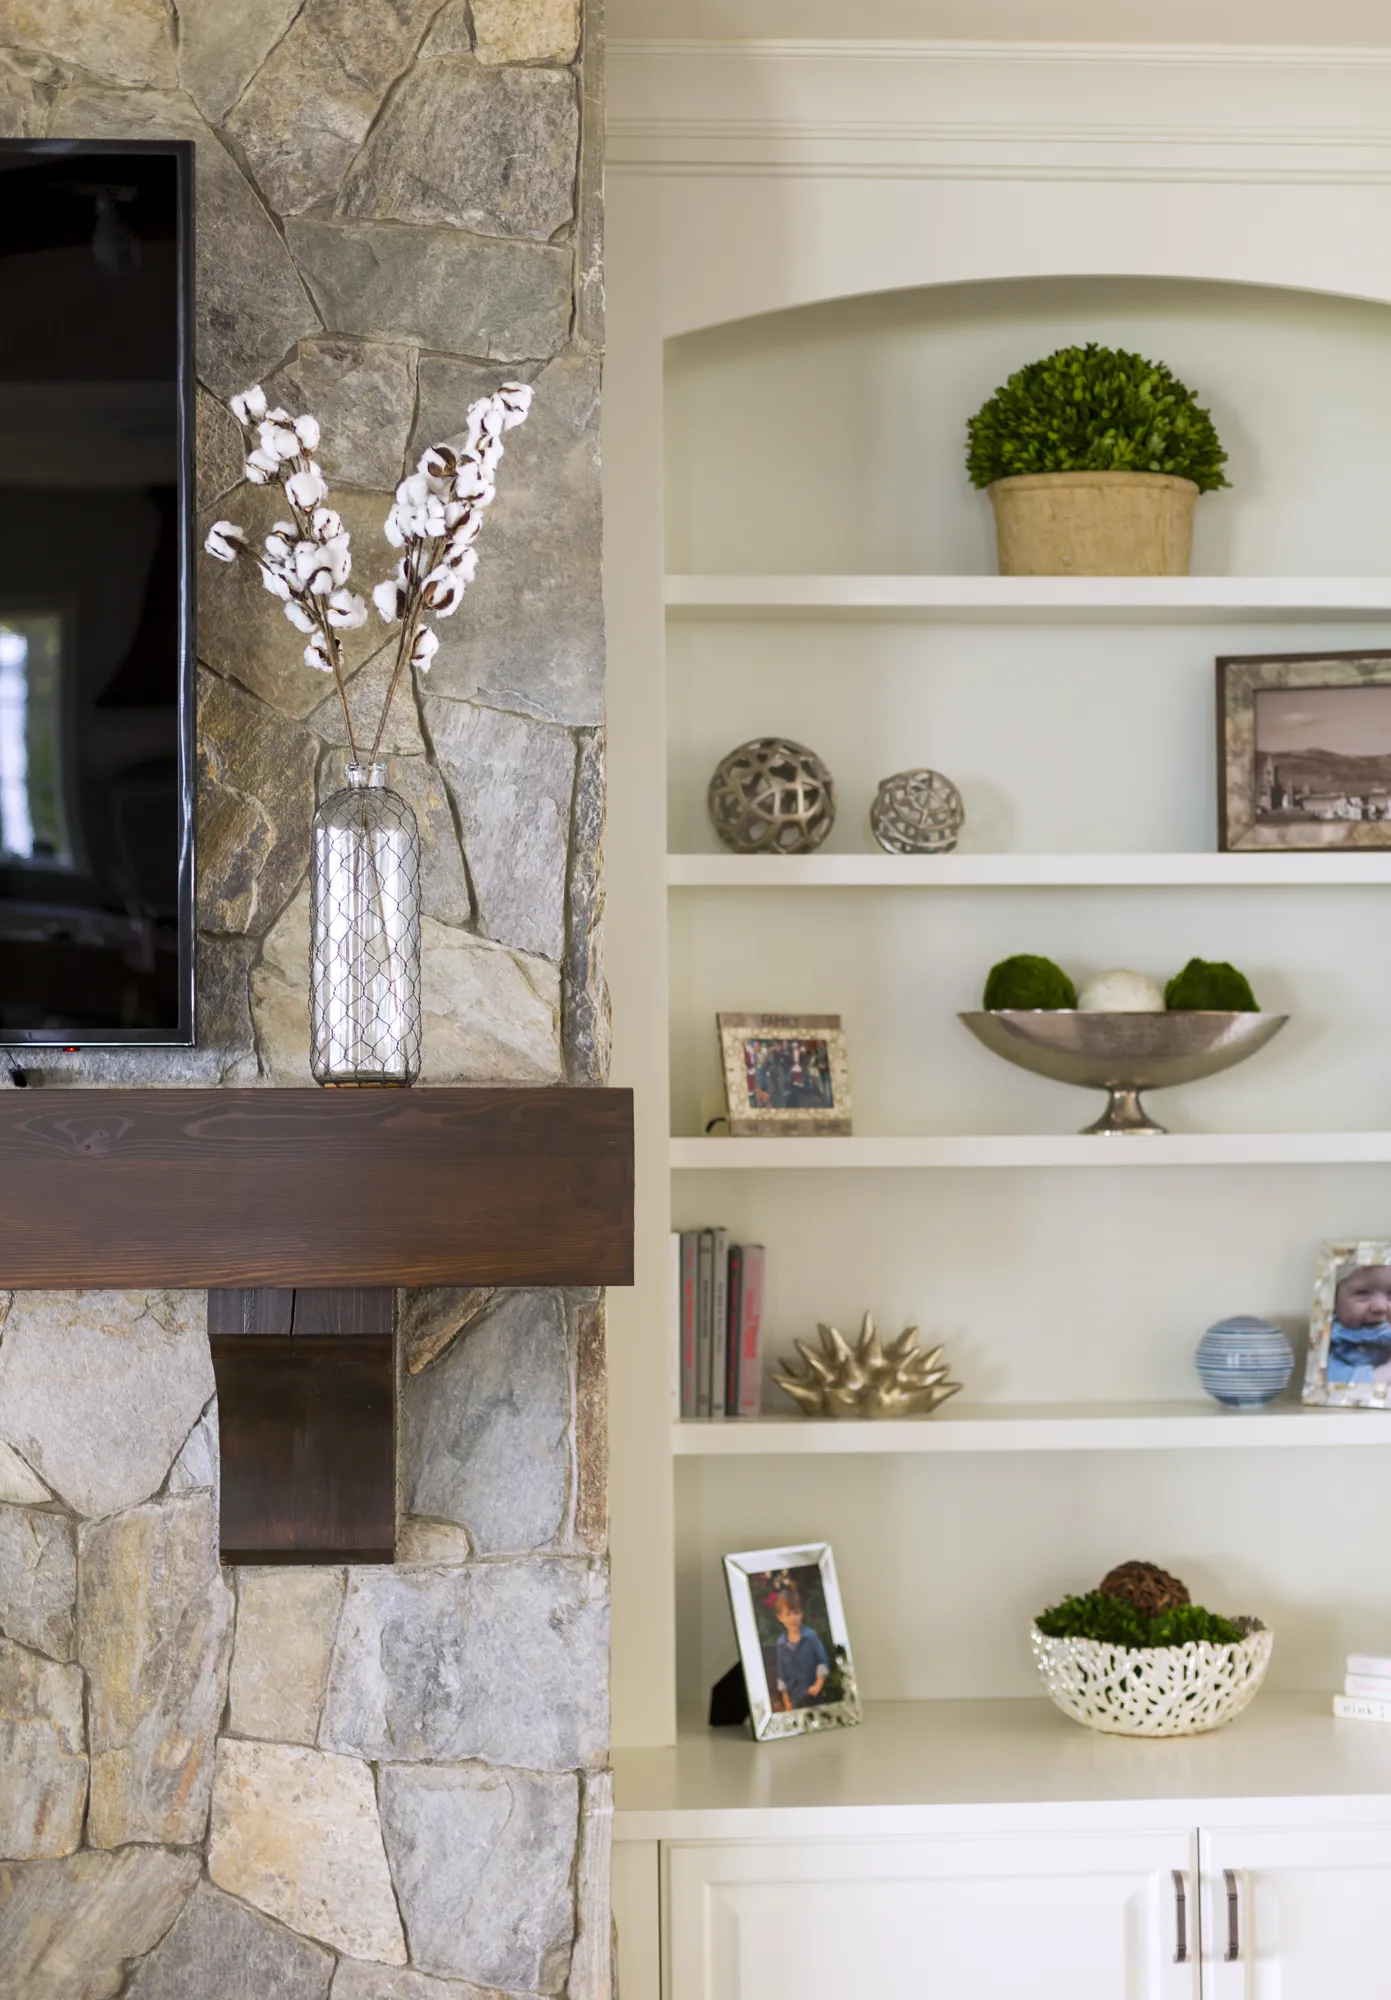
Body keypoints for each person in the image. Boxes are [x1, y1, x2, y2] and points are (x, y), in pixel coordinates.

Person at [1327, 1263, 1391, 1385]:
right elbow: (1334, 1388)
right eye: (1363, 1293)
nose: (1380, 1307)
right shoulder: (1335, 1346)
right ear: (1334, 1301)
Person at [773, 1584, 830, 1709]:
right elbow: (782, 1675)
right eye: (788, 1614)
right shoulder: (781, 1644)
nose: (793, 1618)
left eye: (796, 1612)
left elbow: (822, 1662)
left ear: (802, 1614)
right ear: (780, 1617)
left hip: (814, 1696)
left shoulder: (811, 1637)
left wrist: (817, 1686)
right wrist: (786, 1701)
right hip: (794, 1699)